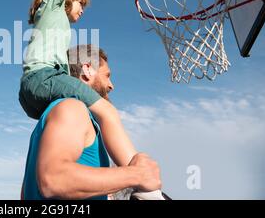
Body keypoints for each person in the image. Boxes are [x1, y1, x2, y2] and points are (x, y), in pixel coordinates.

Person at [20, 0, 137, 173]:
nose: (82, 10)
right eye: (80, 4)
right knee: (107, 111)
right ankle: (141, 179)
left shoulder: (52, 22)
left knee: (74, 123)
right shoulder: (53, 7)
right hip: (44, 79)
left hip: (30, 95)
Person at [21, 45, 162, 199]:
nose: (111, 85)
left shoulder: (48, 123)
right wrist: (137, 175)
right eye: (107, 75)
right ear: (87, 70)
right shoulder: (72, 108)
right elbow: (53, 179)